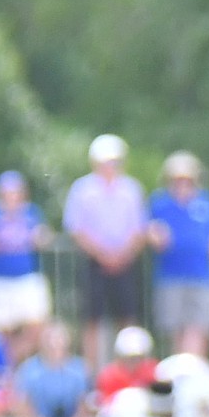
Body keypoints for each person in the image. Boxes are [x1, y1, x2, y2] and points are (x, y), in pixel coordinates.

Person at [64, 134, 149, 369]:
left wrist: (122, 254)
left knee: (127, 319)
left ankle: (130, 370)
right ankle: (94, 374)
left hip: (126, 261)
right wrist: (103, 254)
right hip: (94, 262)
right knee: (92, 320)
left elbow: (139, 230)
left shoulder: (132, 189)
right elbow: (77, 229)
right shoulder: (82, 190)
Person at [144, 153, 209, 352]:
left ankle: (194, 370)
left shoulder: (206, 202)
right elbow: (147, 230)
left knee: (200, 326)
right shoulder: (160, 203)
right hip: (170, 275)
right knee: (174, 327)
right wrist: (153, 234)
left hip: (201, 274)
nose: (182, 183)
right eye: (177, 179)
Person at [0, 170, 52, 342]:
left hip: (27, 277)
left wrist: (40, 237)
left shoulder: (32, 212)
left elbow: (44, 236)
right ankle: (8, 364)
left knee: (37, 324)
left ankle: (14, 360)